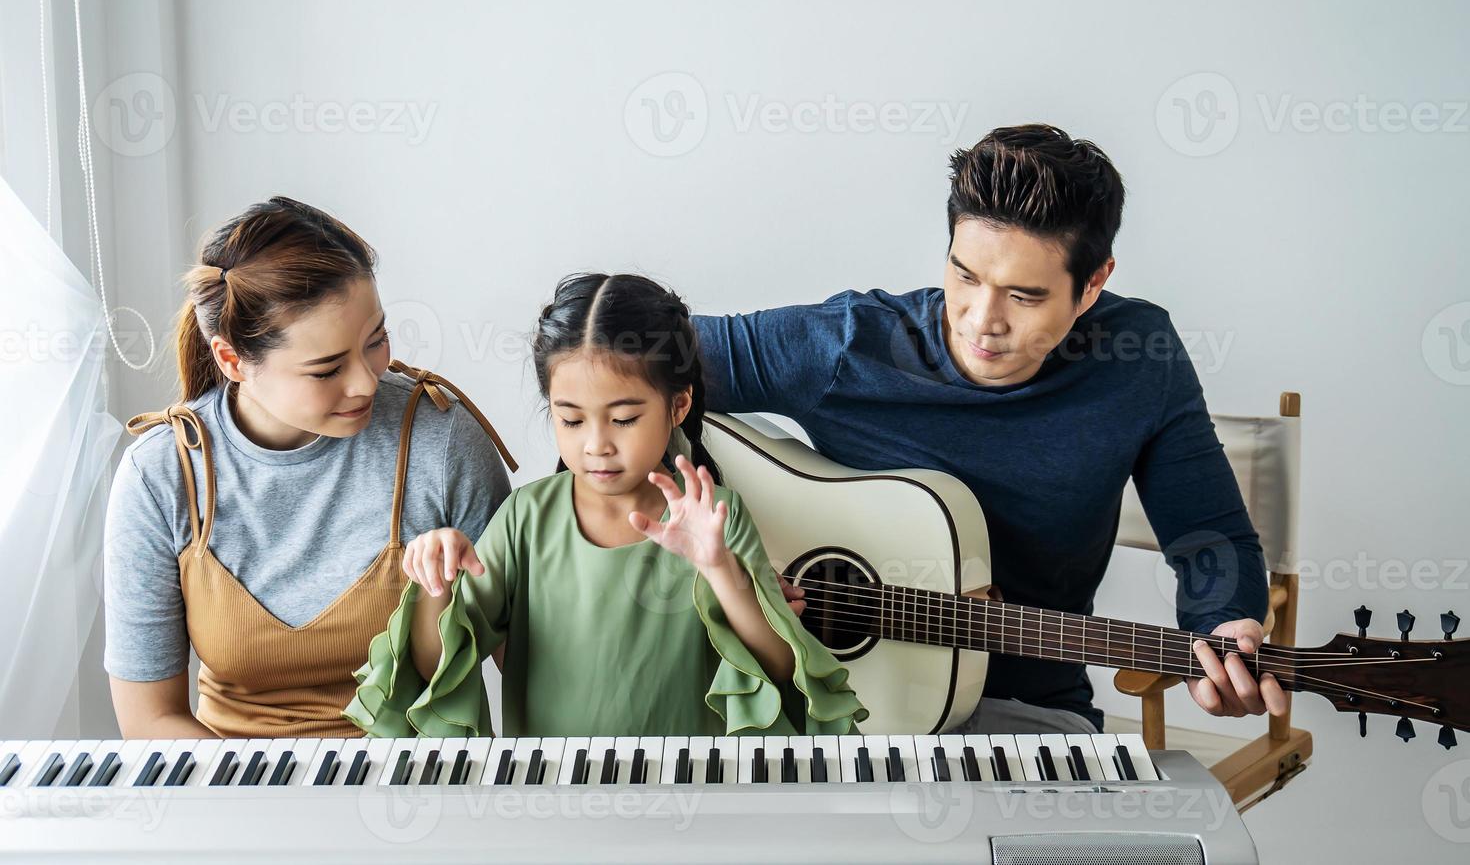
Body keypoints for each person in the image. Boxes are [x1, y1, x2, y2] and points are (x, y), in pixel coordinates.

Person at [692, 125, 1286, 735]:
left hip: (1024, 712)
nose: (982, 320)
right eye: (965, 275)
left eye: (1024, 297)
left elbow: (1209, 538)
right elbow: (611, 370)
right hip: (813, 698)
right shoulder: (849, 345)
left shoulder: (1138, 358)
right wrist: (722, 568)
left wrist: (1225, 621)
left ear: (1093, 285)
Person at [344, 273, 867, 738]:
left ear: (678, 405)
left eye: (623, 419)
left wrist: (718, 567)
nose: (596, 444)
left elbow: (779, 671)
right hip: (554, 799)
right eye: (571, 420)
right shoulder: (526, 519)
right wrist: (436, 586)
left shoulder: (714, 516)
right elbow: (436, 666)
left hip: (691, 800)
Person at [104, 197, 516, 738]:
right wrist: (274, 808)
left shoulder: (441, 441)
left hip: (417, 792)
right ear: (232, 361)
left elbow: (527, 659)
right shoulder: (161, 476)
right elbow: (151, 719)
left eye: (376, 342)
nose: (368, 382)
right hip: (231, 794)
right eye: (325, 370)